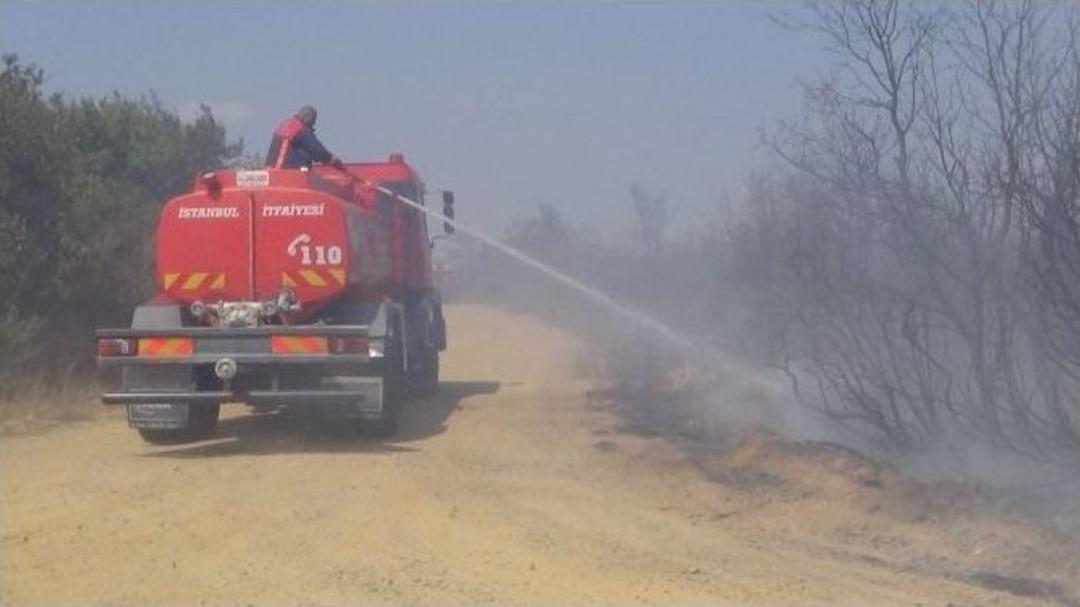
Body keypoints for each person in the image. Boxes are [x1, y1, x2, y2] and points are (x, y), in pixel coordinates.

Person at [265, 105, 345, 170]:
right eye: (313, 122)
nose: (313, 125)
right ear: (307, 118)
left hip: (270, 173)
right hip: (291, 176)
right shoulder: (301, 129)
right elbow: (318, 151)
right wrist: (333, 160)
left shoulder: (284, 126)